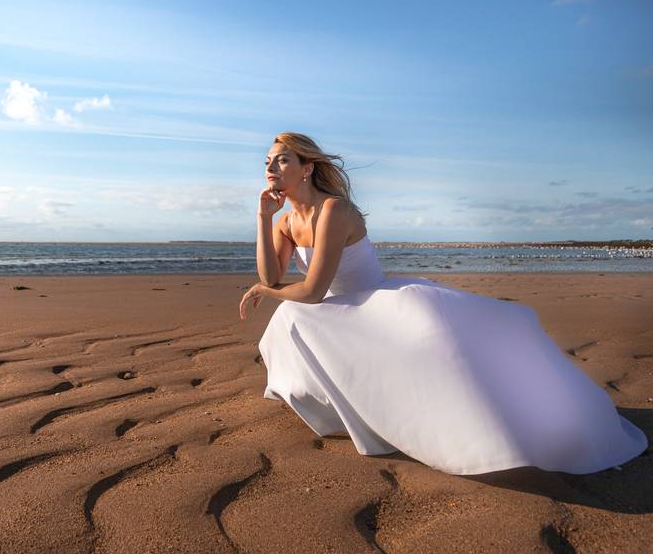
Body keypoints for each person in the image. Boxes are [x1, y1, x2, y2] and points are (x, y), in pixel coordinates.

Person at [239, 132, 648, 475]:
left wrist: (266, 293)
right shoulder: (285, 221)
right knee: (290, 316)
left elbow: (306, 290)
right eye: (268, 162)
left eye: (282, 160)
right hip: (336, 310)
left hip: (372, 303)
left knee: (297, 311)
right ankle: (340, 412)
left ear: (307, 167)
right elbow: (272, 276)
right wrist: (262, 217)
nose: (271, 168)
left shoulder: (334, 208)